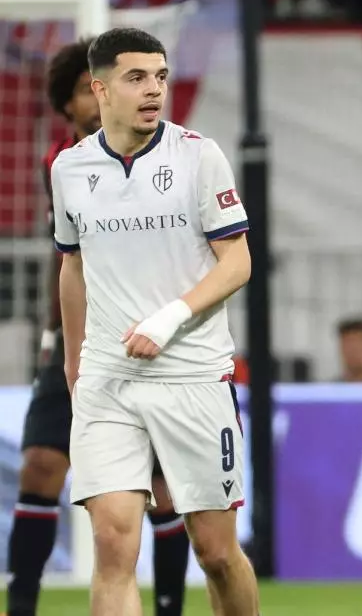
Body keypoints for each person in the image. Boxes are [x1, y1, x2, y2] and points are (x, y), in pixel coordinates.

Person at [49, 28, 259, 616]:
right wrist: (74, 362)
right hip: (108, 383)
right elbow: (72, 266)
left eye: (161, 77)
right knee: (113, 543)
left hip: (193, 378)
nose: (153, 90)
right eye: (136, 77)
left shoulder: (198, 156)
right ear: (100, 89)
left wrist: (169, 319)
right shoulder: (68, 170)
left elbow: (237, 260)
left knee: (215, 553)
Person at [7, 39, 192, 616]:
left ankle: (166, 605)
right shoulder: (63, 166)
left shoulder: (176, 156)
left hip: (156, 340)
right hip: (78, 340)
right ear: (71, 105)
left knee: (165, 493)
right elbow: (75, 261)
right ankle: (24, 602)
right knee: (41, 464)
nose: (97, 98)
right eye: (86, 91)